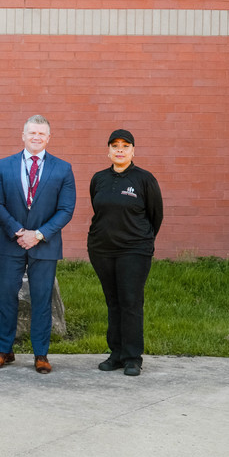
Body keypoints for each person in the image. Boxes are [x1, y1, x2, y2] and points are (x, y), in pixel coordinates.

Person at [0, 115, 76, 374]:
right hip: (10, 243)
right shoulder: (4, 166)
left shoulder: (63, 168)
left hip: (45, 245)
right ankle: (4, 350)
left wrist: (37, 234)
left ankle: (41, 354)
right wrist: (18, 231)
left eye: (41, 134)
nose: (36, 137)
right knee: (6, 298)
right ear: (23, 135)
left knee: (41, 300)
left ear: (48, 138)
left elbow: (66, 209)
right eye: (32, 133)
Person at [88, 129, 163, 377]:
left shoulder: (144, 179)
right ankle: (117, 354)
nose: (120, 150)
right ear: (108, 151)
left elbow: (156, 216)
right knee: (113, 301)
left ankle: (133, 357)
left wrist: (143, 242)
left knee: (130, 302)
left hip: (134, 251)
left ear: (133, 151)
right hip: (102, 251)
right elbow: (98, 210)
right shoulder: (98, 178)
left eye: (125, 145)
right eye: (115, 145)